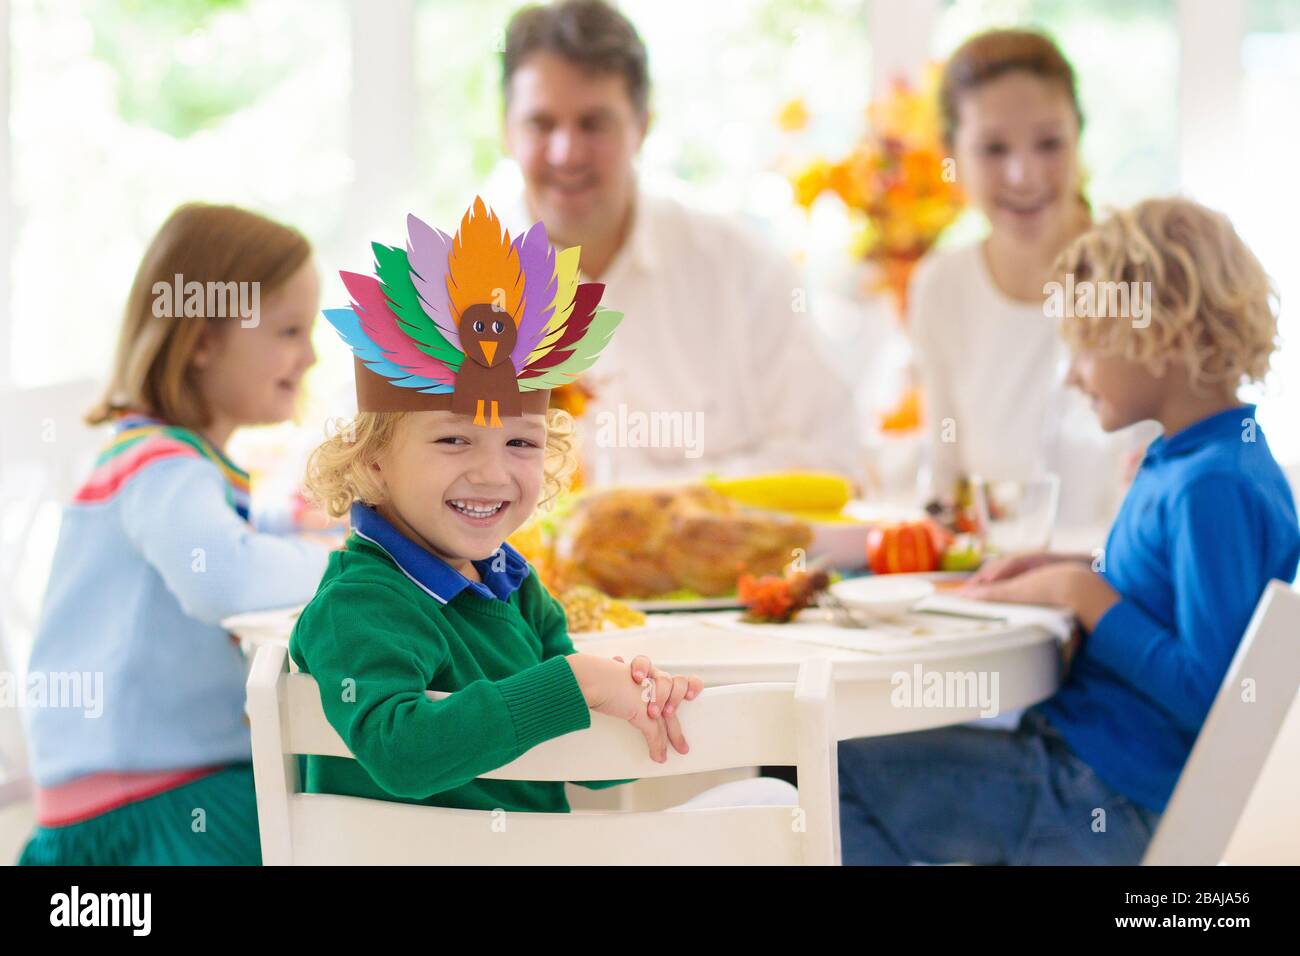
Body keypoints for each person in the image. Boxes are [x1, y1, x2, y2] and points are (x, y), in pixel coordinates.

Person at [291, 201, 796, 820]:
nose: (492, 472)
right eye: (453, 440)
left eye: (521, 443)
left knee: (768, 802)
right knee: (770, 806)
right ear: (372, 461)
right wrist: (579, 684)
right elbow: (399, 750)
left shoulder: (515, 585)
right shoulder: (361, 603)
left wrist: (635, 705)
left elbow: (589, 768)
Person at [837, 197, 1300, 865]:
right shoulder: (1194, 459)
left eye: (1084, 346)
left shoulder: (1212, 485)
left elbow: (1212, 694)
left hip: (1095, 798)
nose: (1072, 374)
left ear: (1161, 334)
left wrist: (1082, 593)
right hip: (1084, 779)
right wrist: (1064, 566)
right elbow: (1164, 594)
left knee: (832, 768)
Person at [20, 204, 330, 865]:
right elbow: (228, 576)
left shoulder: (164, 463)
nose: (310, 355)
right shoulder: (160, 465)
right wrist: (353, 565)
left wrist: (295, 523)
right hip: (150, 806)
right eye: (288, 330)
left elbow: (229, 531)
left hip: (142, 793)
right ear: (203, 341)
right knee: (342, 814)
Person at [497, 0, 861, 484]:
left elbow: (833, 459)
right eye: (541, 124)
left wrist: (661, 511)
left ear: (642, 125)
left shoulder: (745, 271)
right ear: (506, 130)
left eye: (593, 123)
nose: (567, 152)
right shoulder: (444, 289)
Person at [910, 29, 1137, 526]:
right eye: (993, 148)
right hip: (1001, 590)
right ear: (953, 153)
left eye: (1049, 143)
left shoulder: (1141, 275)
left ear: (1079, 134)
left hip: (1129, 589)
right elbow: (944, 475)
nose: (1024, 174)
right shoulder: (940, 285)